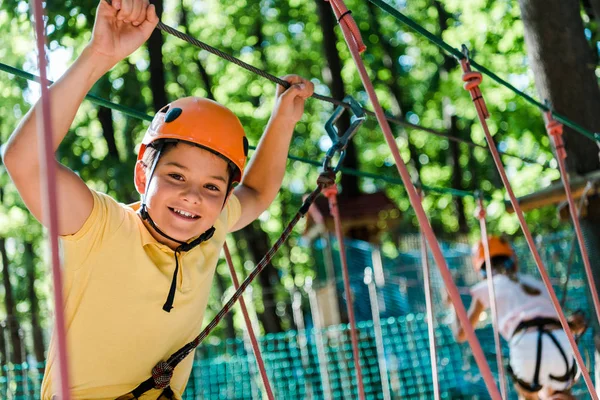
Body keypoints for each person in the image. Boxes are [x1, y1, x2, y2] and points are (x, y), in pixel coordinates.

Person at [1, 0, 314, 398]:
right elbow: (25, 161)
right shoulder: (101, 227)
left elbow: (255, 191)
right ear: (141, 175)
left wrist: (283, 117)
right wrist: (99, 56)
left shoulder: (212, 225)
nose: (192, 196)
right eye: (176, 175)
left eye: (212, 187)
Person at [450, 236, 586, 400]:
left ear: (481, 268)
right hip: (558, 340)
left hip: (525, 342)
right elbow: (552, 320)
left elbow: (462, 334)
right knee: (562, 393)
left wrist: (453, 304)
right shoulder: (535, 283)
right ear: (513, 260)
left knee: (529, 395)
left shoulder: (486, 288)